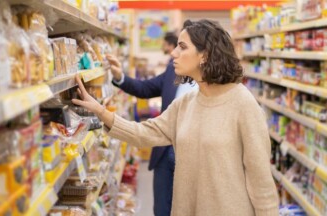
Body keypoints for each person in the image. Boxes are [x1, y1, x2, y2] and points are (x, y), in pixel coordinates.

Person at [72, 19, 279, 215]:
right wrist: (100, 112)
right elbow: (145, 133)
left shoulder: (243, 104)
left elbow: (261, 183)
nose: (173, 53)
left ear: (204, 55)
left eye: (182, 47)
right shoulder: (186, 103)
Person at [106, 32, 197, 216]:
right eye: (177, 46)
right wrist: (119, 76)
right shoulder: (173, 70)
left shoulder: (216, 85)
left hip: (194, 155)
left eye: (183, 47)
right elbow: (145, 88)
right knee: (162, 209)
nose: (174, 53)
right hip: (165, 150)